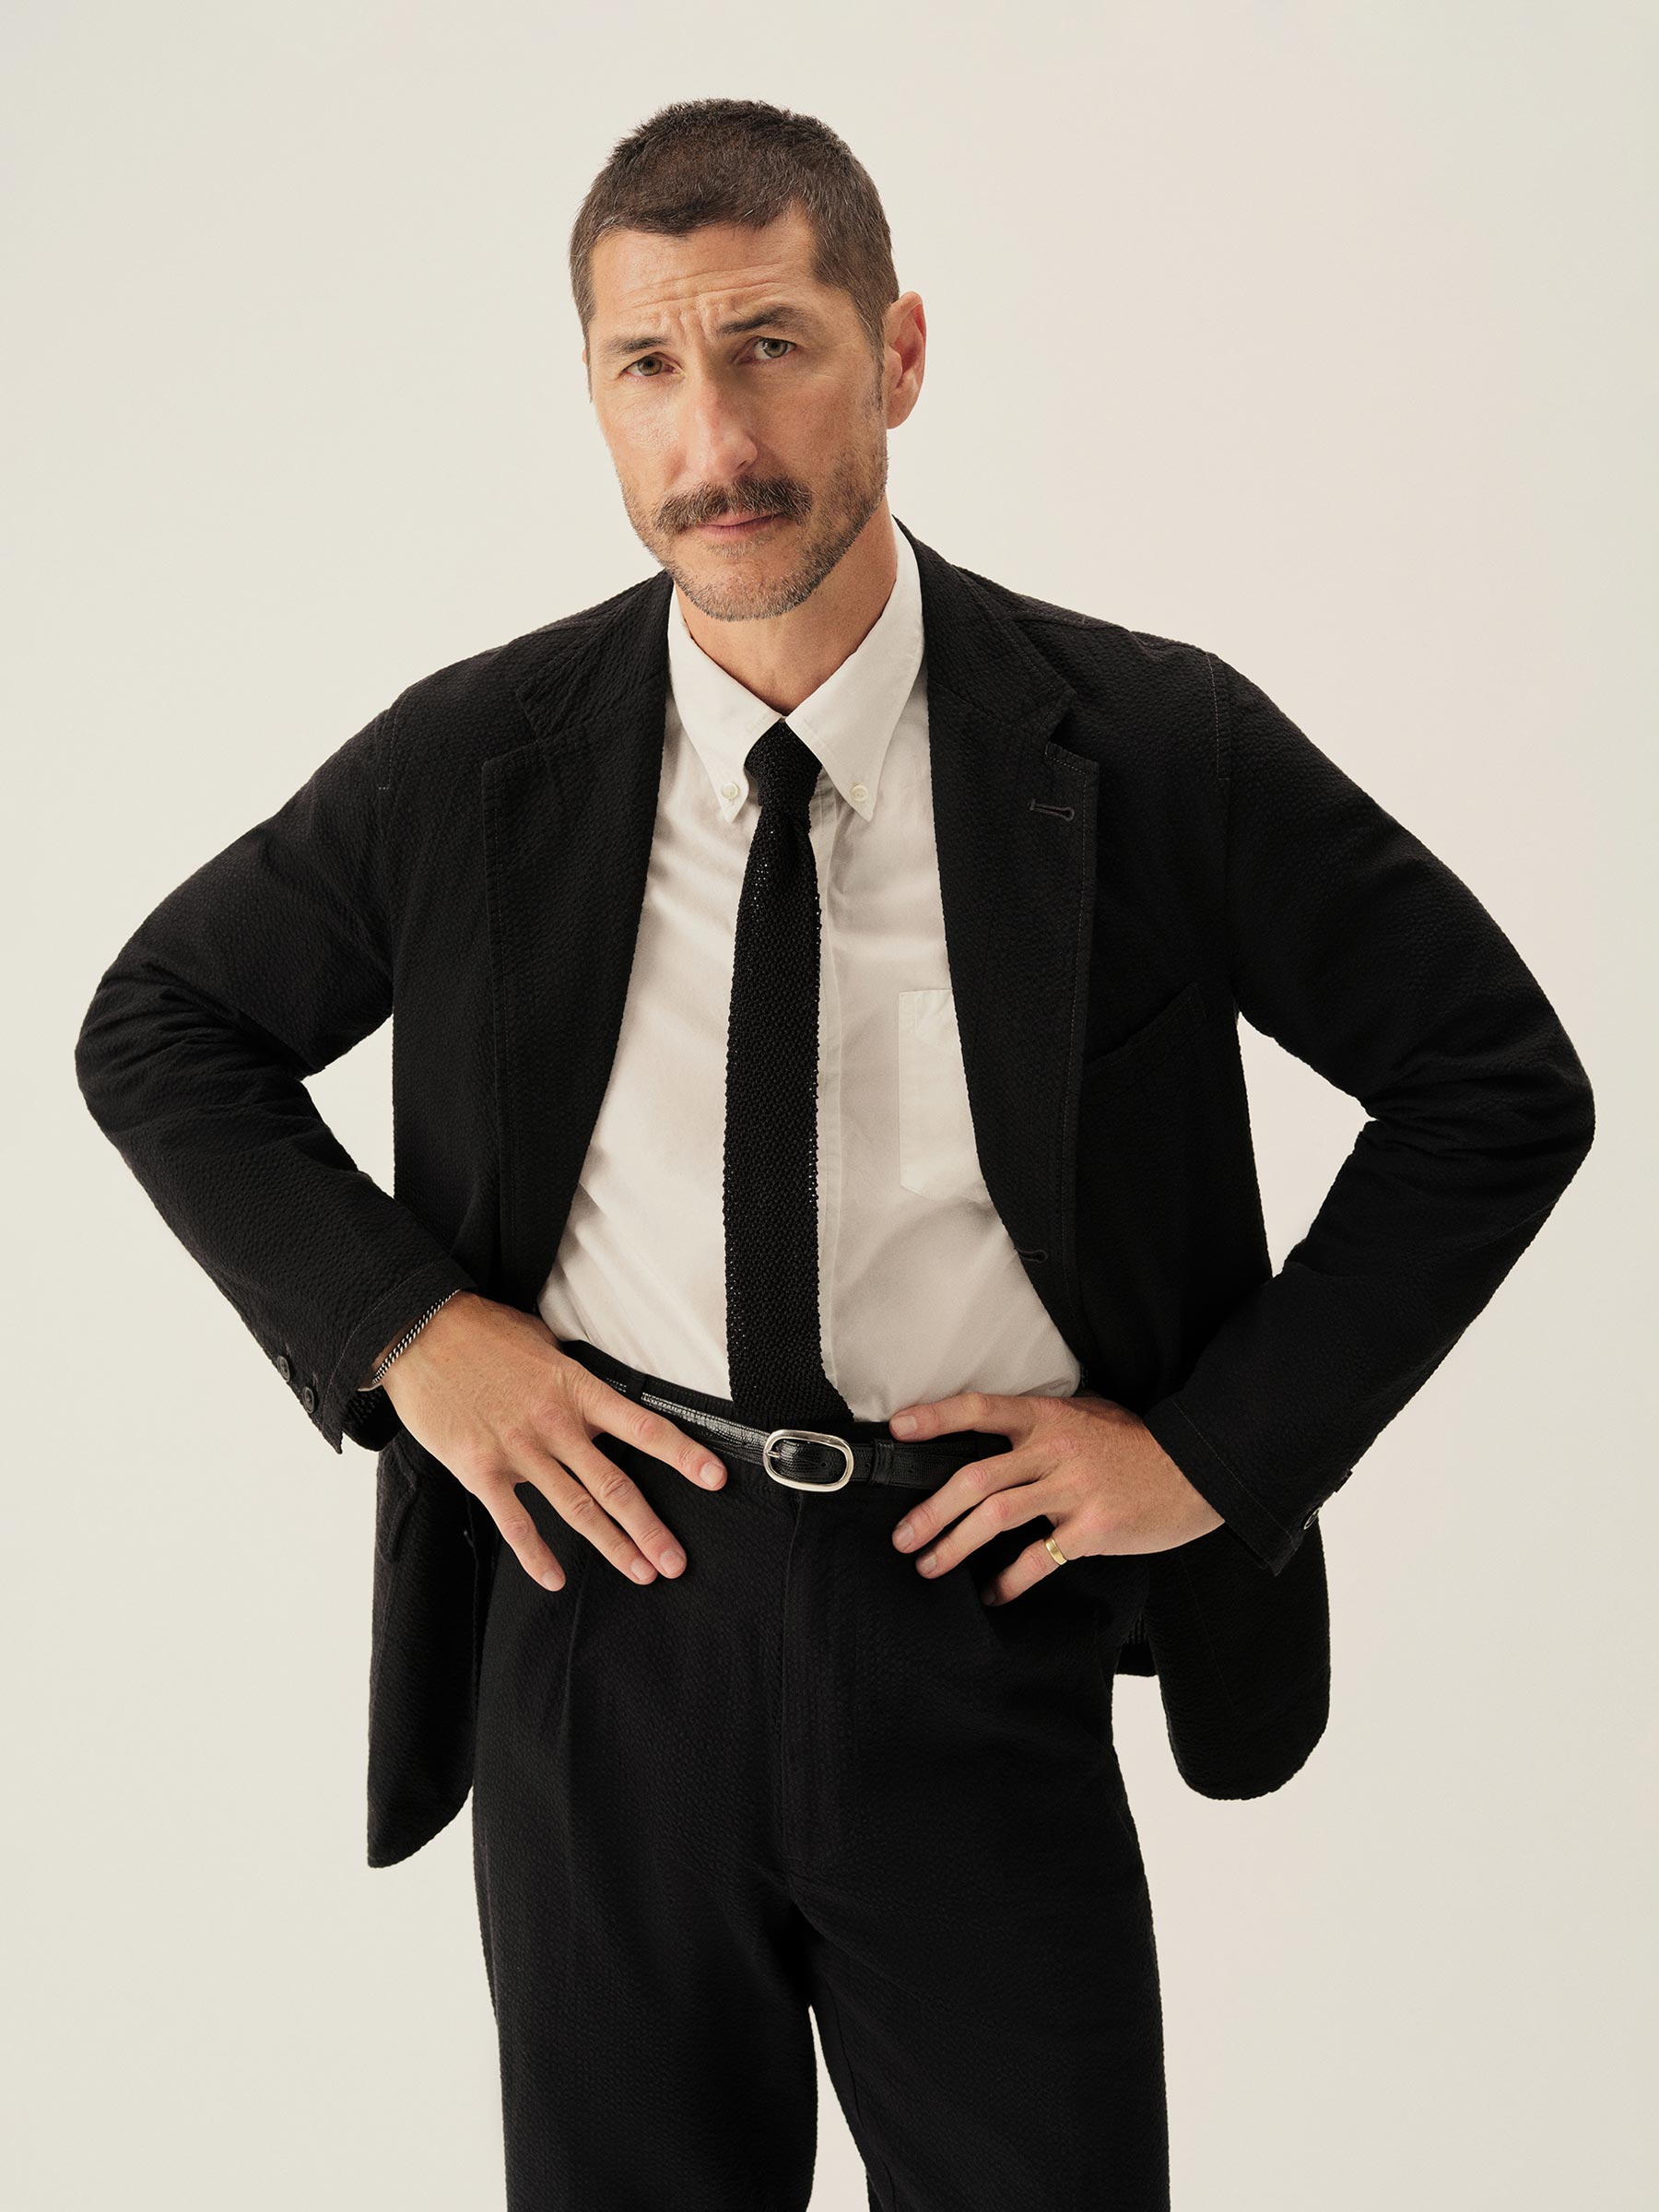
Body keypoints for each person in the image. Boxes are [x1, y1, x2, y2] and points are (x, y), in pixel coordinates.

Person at [74, 96, 1595, 2212]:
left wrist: (1216, 1453)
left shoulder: (1151, 747)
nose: (715, 440)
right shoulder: (478, 763)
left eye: (770, 345)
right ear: (596, 398)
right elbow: (162, 1028)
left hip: (969, 1621)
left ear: (897, 353)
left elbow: (1494, 1083)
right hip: (596, 1618)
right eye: (649, 366)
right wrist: (410, 1333)